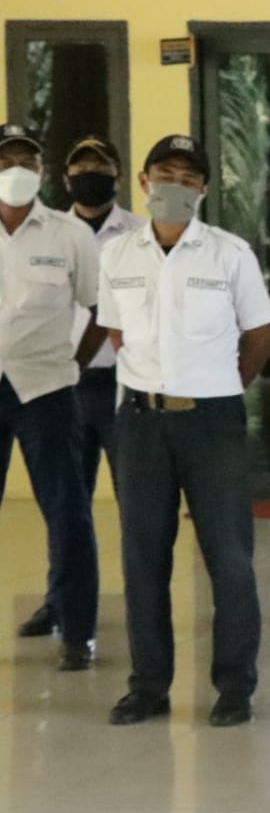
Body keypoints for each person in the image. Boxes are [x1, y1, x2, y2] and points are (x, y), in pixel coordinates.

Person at [98, 135, 270, 726]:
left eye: (188, 177)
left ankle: (235, 686)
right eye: (164, 173)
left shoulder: (229, 254)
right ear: (143, 182)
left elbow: (260, 337)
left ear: (202, 189)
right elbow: (117, 333)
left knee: (229, 557)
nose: (174, 185)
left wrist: (219, 385)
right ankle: (148, 685)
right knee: (143, 558)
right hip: (140, 423)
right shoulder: (118, 255)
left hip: (212, 421)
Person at [13, 136, 140, 642]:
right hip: (62, 386)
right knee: (67, 504)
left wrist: (78, 360)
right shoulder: (54, 230)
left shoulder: (136, 233)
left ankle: (141, 602)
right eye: (81, 165)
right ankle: (59, 603)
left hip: (121, 382)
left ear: (118, 174)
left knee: (134, 501)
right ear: (65, 178)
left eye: (101, 165)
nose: (91, 172)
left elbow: (112, 309)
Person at [0, 121, 103, 670]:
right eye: (5, 161)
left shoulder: (69, 235)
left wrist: (74, 363)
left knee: (68, 513)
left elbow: (99, 309)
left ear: (42, 172)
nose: (16, 171)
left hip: (47, 388)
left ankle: (77, 633)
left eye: (27, 162)